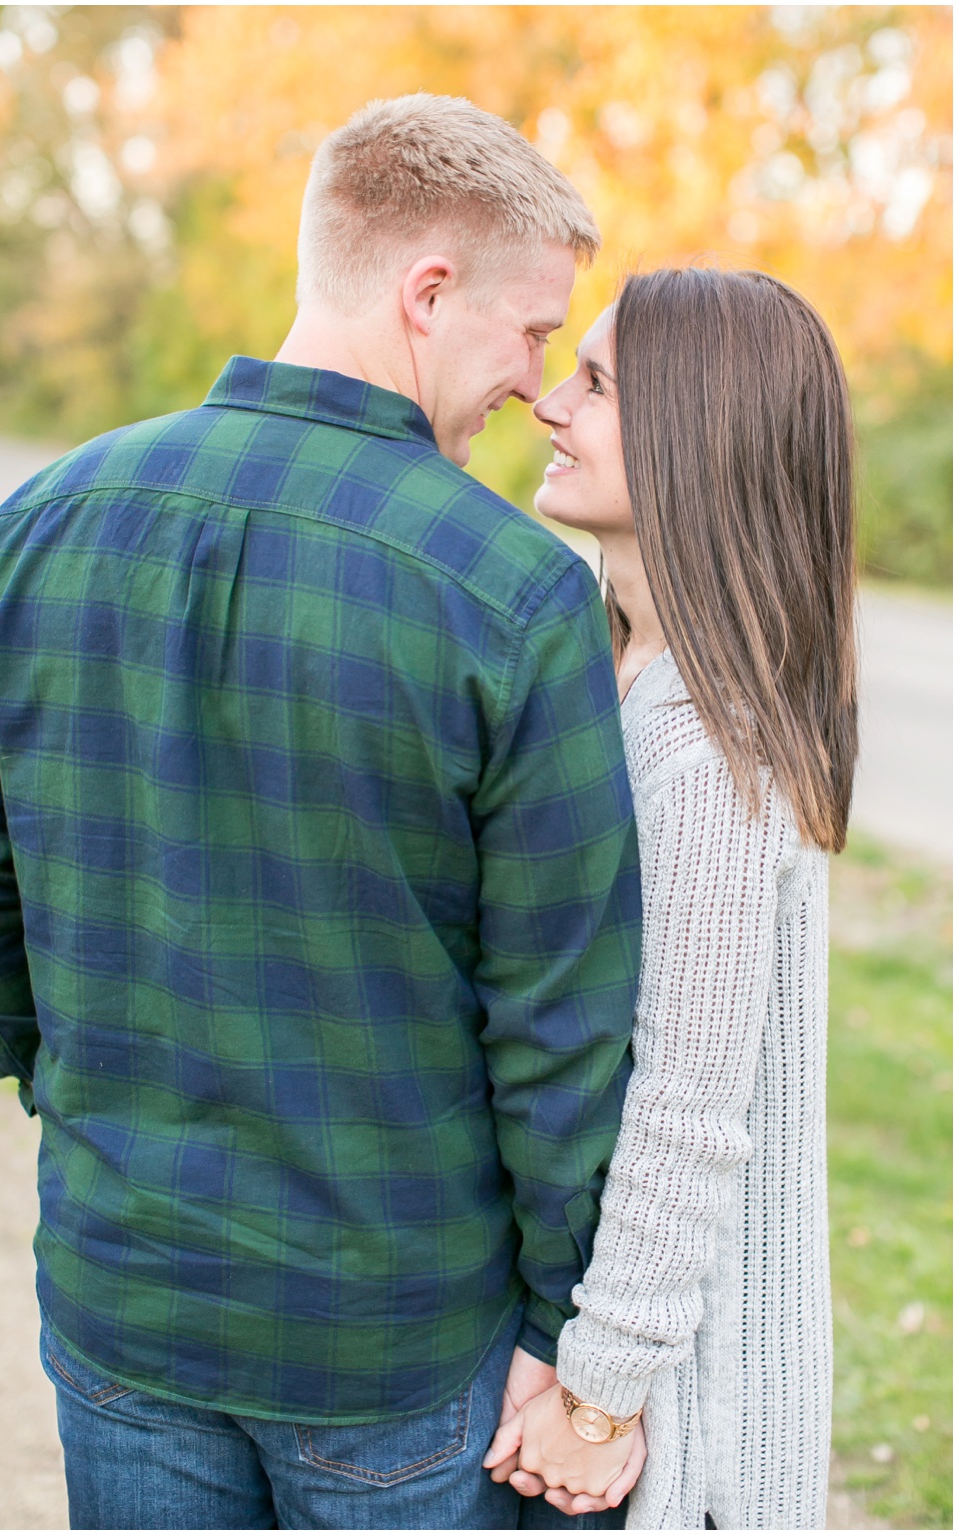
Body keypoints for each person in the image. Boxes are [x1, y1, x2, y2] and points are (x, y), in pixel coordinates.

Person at [0, 94, 642, 1529]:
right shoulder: (515, 593)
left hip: (126, 1297)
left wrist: (78, 1097)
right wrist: (561, 1324)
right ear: (427, 293)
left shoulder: (39, 521)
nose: (536, 380)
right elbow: (559, 1024)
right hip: (396, 1341)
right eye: (532, 333)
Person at [481, 269, 856, 1529]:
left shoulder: (708, 741)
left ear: (697, 434)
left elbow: (688, 1099)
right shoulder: (610, 672)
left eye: (594, 384)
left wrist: (597, 1395)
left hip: (676, 1426)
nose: (546, 403)